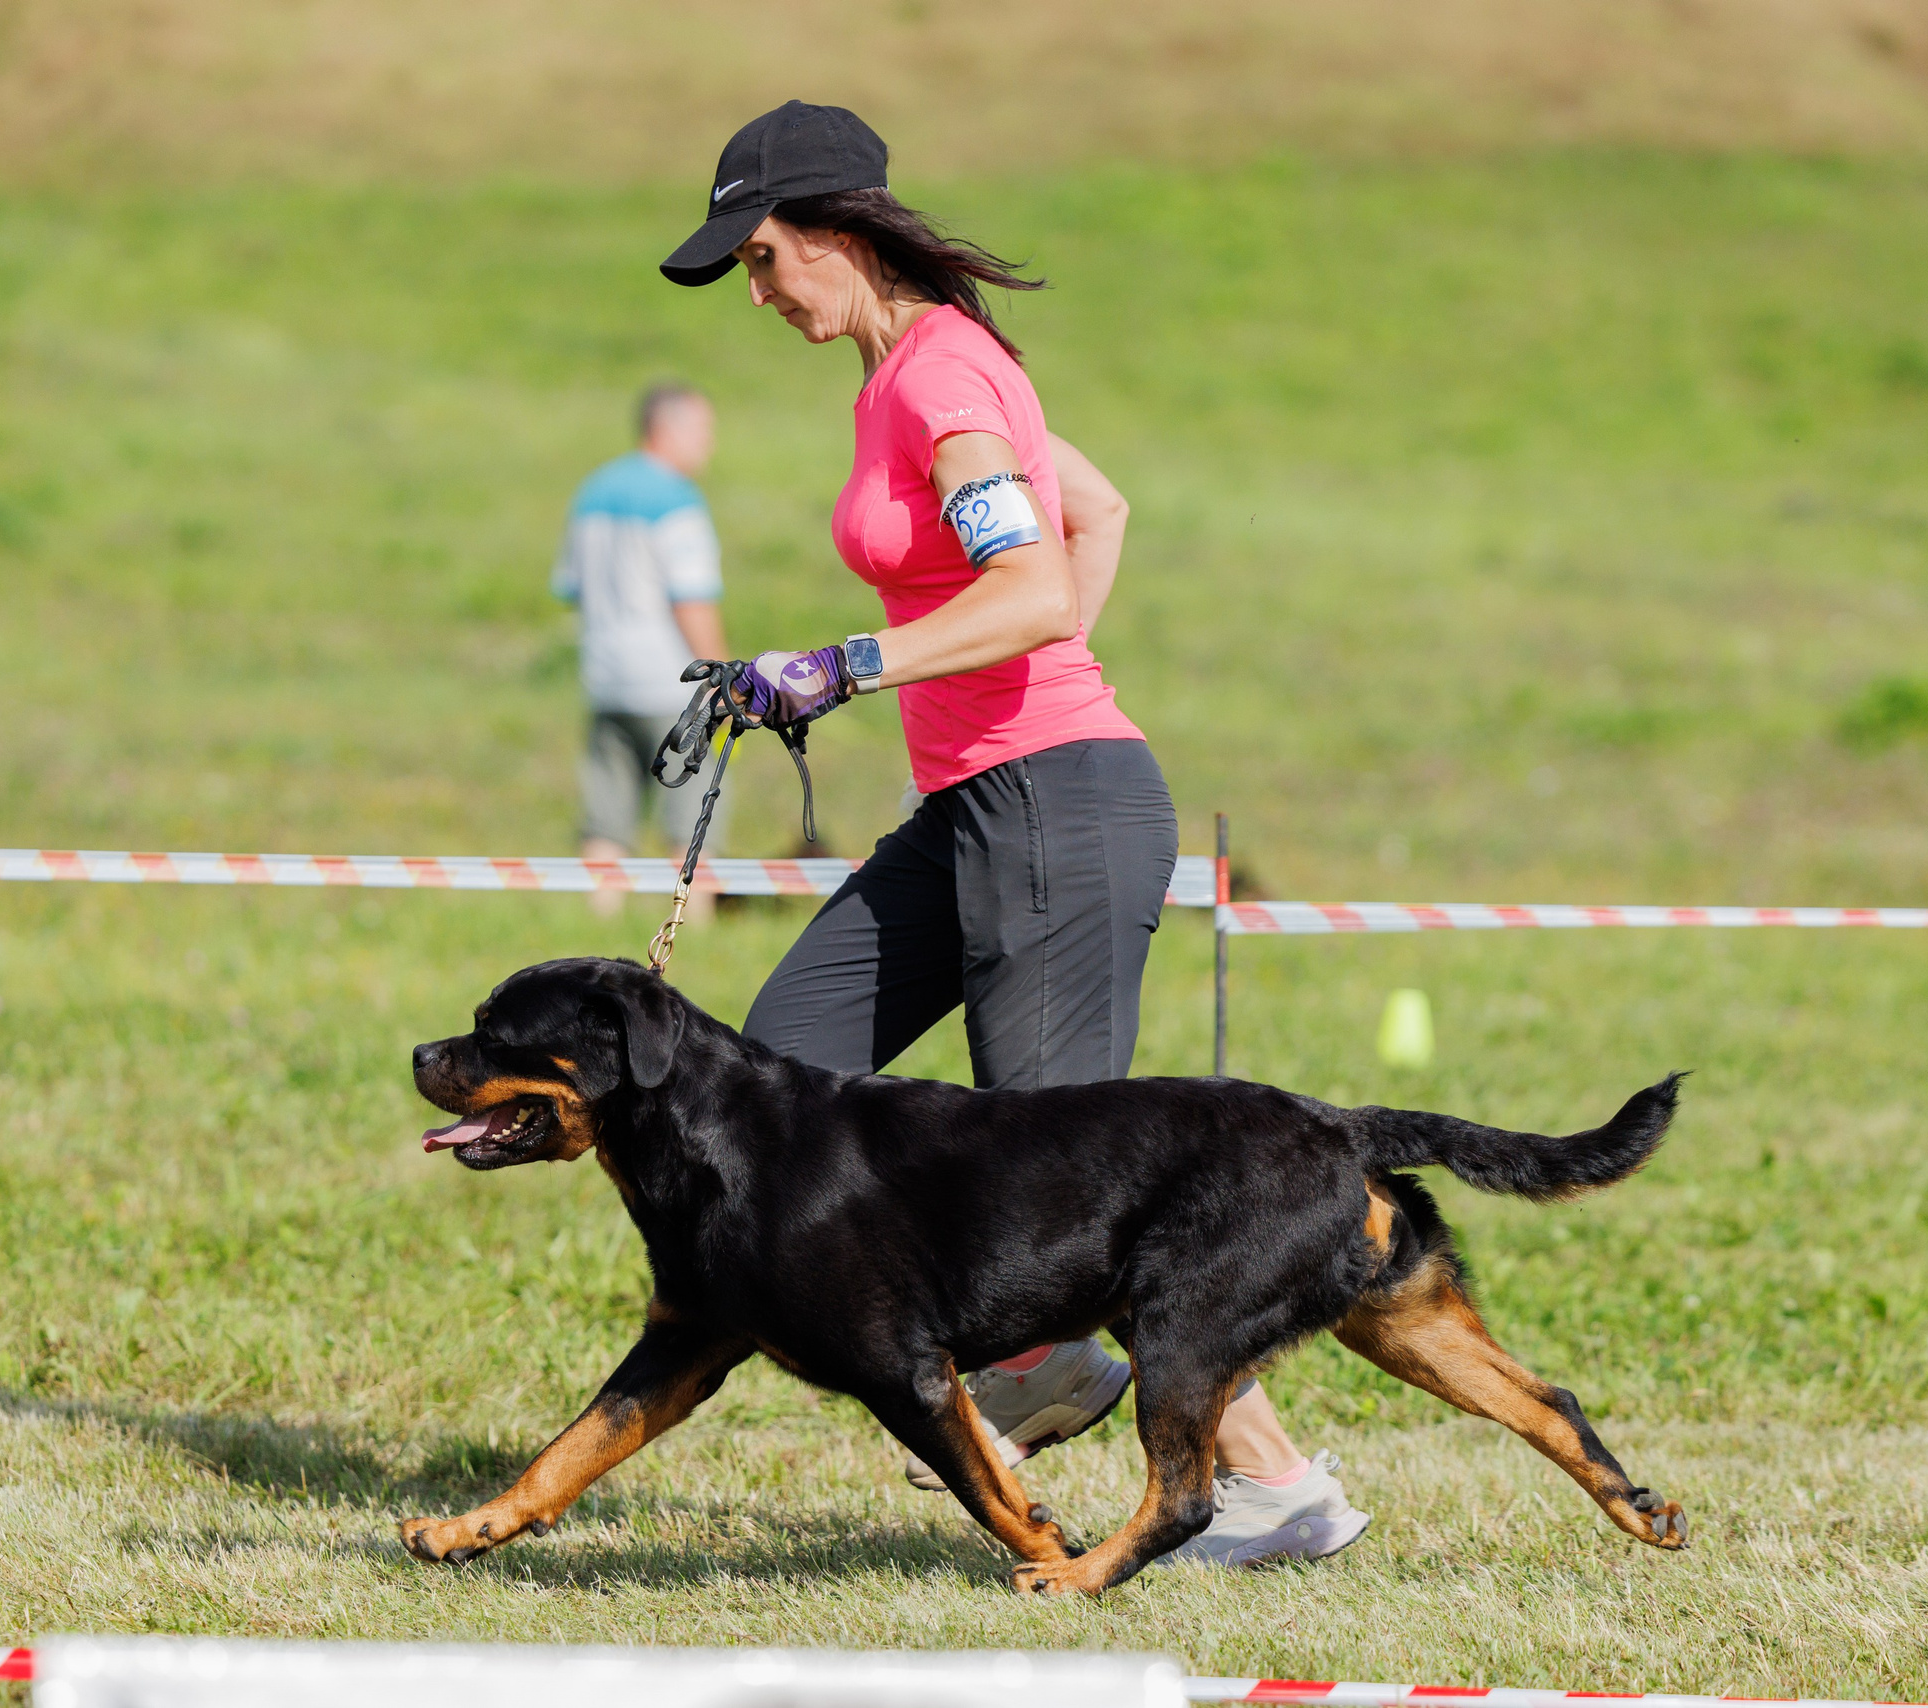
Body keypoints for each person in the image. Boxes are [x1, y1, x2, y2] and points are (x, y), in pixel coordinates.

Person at [658, 100, 1369, 1568]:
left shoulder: (944, 377)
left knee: (1066, 1181)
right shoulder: (909, 376)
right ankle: (1043, 1367)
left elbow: (1040, 582)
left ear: (841, 235)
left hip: (1054, 808)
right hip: (983, 799)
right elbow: (1099, 510)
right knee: (784, 1062)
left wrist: (855, 667)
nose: (760, 288)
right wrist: (1003, 695)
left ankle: (1273, 1487)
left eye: (768, 255)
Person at [551, 383, 730, 919]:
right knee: (692, 813)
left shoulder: (593, 491)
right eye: (703, 432)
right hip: (670, 681)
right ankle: (687, 926)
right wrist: (725, 679)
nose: (709, 446)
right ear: (667, 429)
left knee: (607, 819)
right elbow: (690, 599)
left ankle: (597, 916)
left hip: (605, 675)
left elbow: (571, 585)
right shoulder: (677, 500)